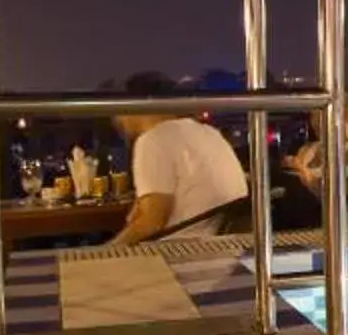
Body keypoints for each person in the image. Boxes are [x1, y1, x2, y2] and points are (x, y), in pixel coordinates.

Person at [106, 72, 250, 245]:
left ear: (132, 106)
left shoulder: (153, 140)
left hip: (183, 252)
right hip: (228, 248)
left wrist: (104, 253)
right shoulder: (209, 132)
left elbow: (152, 223)